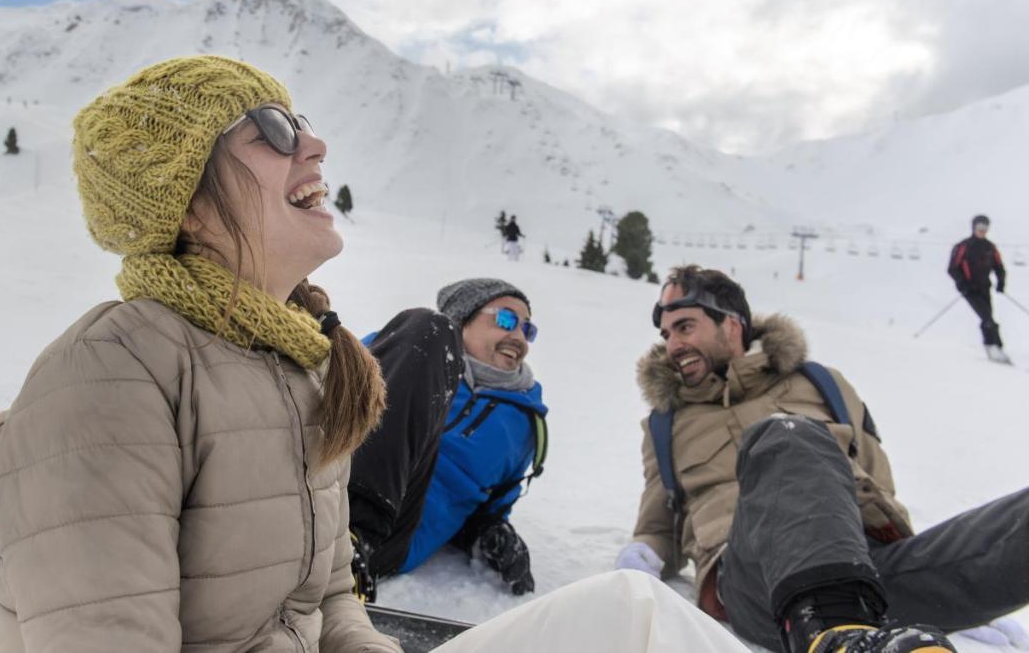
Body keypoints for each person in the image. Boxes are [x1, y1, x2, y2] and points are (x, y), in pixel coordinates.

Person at [0, 56, 399, 652]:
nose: (317, 145)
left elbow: (328, 600)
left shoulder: (308, 364)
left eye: (301, 121)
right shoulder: (114, 368)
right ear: (189, 207)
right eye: (273, 130)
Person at [616, 265, 1029, 653]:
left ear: (732, 324)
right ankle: (831, 631)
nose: (673, 346)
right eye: (667, 334)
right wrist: (639, 559)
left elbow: (877, 487)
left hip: (859, 560)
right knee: (785, 435)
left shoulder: (821, 384)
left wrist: (946, 585)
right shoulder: (667, 424)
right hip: (753, 578)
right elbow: (657, 527)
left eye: (685, 327)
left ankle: (851, 622)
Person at [348, 278, 547, 600]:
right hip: (320, 489)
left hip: (386, 542)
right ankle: (347, 536)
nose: (519, 338)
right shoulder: (401, 349)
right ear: (461, 318)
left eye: (529, 330)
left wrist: (490, 533)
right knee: (425, 326)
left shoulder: (524, 422)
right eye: (507, 320)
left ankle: (353, 545)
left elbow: (487, 508)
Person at [948, 214, 1010, 364]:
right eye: (980, 228)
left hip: (984, 288)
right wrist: (963, 284)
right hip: (970, 290)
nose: (982, 231)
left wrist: (1001, 282)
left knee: (988, 316)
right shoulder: (963, 246)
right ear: (974, 227)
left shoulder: (990, 247)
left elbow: (999, 267)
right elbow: (952, 269)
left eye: (985, 228)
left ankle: (993, 347)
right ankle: (995, 348)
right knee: (987, 318)